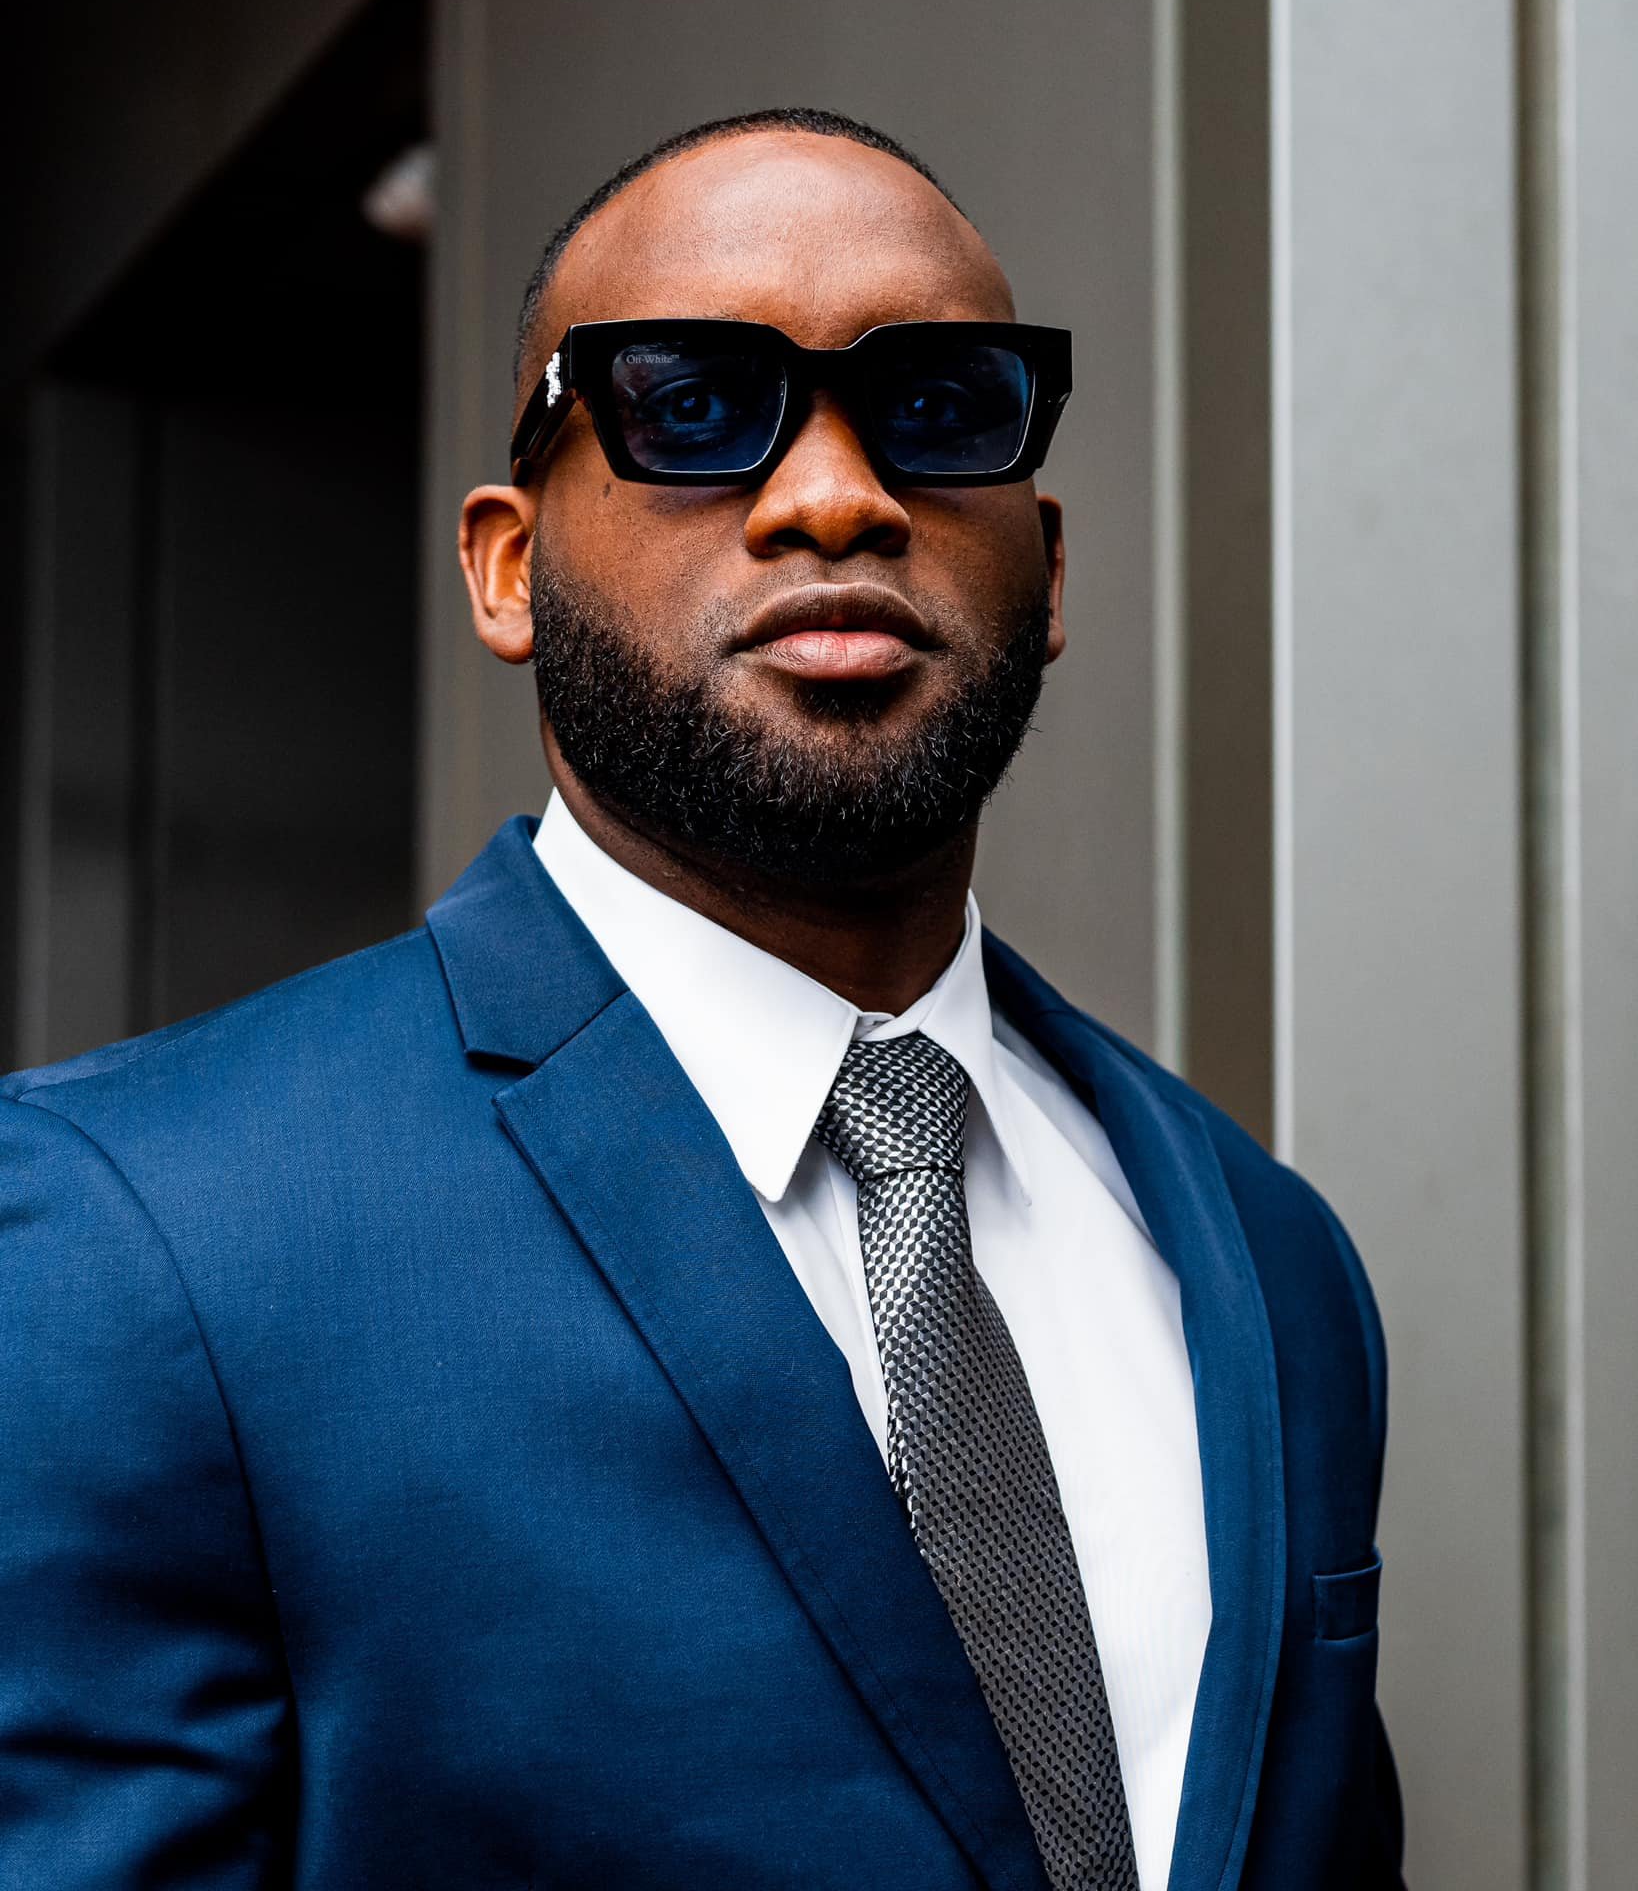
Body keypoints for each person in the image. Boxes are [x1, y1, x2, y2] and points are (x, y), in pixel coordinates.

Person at [0, 108, 1403, 1890]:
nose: (834, 491)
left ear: (1047, 573)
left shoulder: (1271, 1258)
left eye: (941, 405)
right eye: (688, 405)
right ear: (509, 565)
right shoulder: (134, 1237)